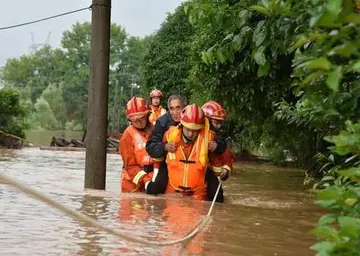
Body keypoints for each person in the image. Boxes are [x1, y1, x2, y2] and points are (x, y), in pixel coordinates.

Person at [163, 104, 218, 200]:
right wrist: (164, 147)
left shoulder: (210, 138)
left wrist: (226, 169)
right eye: (188, 129)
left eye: (195, 130)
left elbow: (225, 156)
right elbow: (156, 153)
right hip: (173, 189)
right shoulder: (169, 135)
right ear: (182, 125)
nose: (191, 133)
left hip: (198, 191)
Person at [119, 97, 155, 192]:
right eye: (135, 120)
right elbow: (130, 166)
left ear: (147, 115)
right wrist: (146, 180)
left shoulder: (156, 130)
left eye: (142, 118)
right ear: (130, 120)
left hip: (152, 177)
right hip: (132, 183)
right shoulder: (127, 136)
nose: (139, 122)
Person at [201, 100, 235, 181]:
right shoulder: (193, 135)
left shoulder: (219, 140)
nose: (219, 126)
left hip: (211, 177)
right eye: (216, 123)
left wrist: (226, 170)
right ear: (206, 121)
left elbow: (227, 156)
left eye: (220, 123)